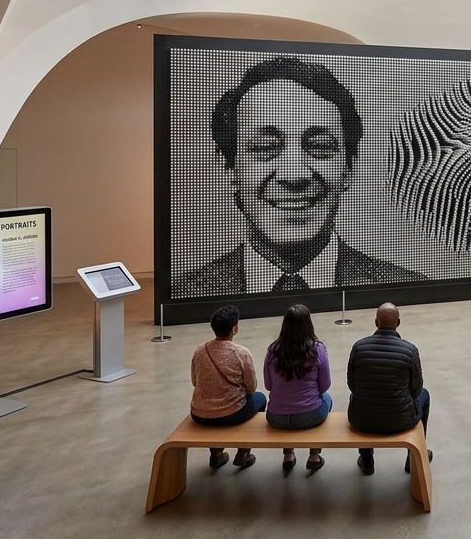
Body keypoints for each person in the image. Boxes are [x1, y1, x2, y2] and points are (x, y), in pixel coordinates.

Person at [181, 56, 426, 295]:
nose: (294, 174)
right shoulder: (188, 291)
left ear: (348, 169)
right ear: (230, 166)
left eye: (320, 147)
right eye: (265, 148)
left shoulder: (405, 287)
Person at [348, 303, 431, 474]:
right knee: (425, 395)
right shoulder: (409, 350)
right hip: (401, 420)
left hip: (362, 419)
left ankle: (366, 459)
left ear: (376, 322)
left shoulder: (359, 347)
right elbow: (416, 389)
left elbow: (352, 385)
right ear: (398, 323)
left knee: (355, 397)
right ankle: (413, 457)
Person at [191, 305, 267, 470]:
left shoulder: (200, 350)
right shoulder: (241, 353)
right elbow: (251, 388)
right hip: (232, 413)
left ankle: (217, 454)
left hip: (199, 413)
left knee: (213, 408)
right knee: (260, 399)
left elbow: (195, 381)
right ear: (235, 328)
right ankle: (243, 453)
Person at [264, 305, 332, 472]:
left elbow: (268, 385)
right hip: (309, 416)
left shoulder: (273, 350)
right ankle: (314, 456)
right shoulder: (317, 349)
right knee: (327, 399)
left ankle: (288, 455)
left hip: (276, 417)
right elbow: (325, 385)